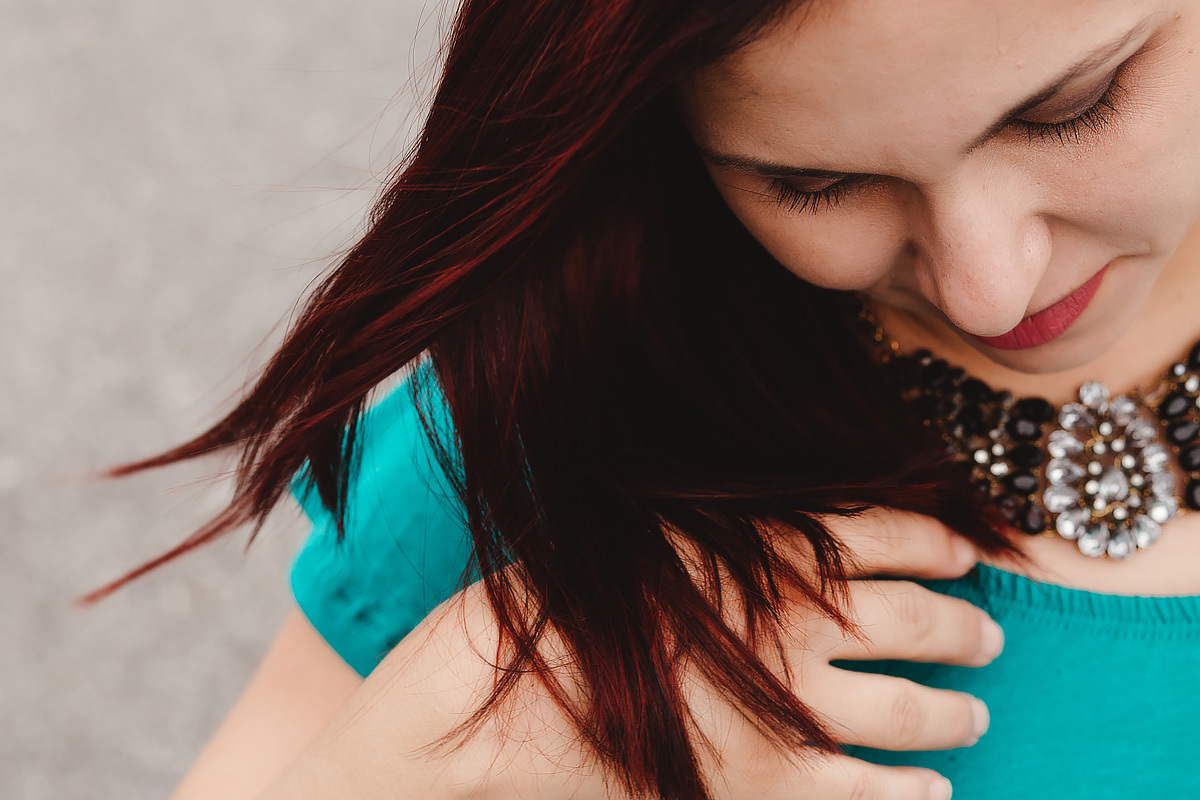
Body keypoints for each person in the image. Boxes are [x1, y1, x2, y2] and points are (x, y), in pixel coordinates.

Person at [109, 0, 1200, 798]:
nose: (988, 284)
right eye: (814, 183)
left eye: (1071, 106)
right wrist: (450, 727)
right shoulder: (566, 414)